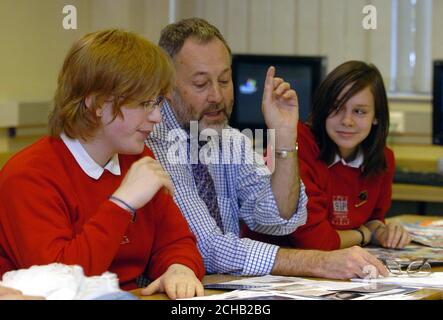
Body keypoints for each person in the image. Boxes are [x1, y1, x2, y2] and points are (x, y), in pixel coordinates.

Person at [147, 18, 388, 280]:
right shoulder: (151, 142)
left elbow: (278, 217)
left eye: (225, 80)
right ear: (166, 87)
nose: (217, 96)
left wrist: (284, 137)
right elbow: (207, 248)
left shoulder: (230, 140)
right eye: (201, 84)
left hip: (218, 287)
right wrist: (318, 262)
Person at [0, 29, 205, 300]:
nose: (156, 116)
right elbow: (61, 280)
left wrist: (179, 268)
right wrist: (121, 204)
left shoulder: (139, 159)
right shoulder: (28, 175)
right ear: (97, 103)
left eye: (156, 102)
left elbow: (177, 241)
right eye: (144, 103)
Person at [244, 61, 412, 251]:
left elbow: (373, 218)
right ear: (323, 110)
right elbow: (316, 242)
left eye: (359, 111)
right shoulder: (294, 142)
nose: (347, 121)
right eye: (336, 108)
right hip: (272, 269)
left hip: (328, 269)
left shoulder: (382, 158)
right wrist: (364, 234)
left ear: (376, 117)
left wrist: (383, 231)